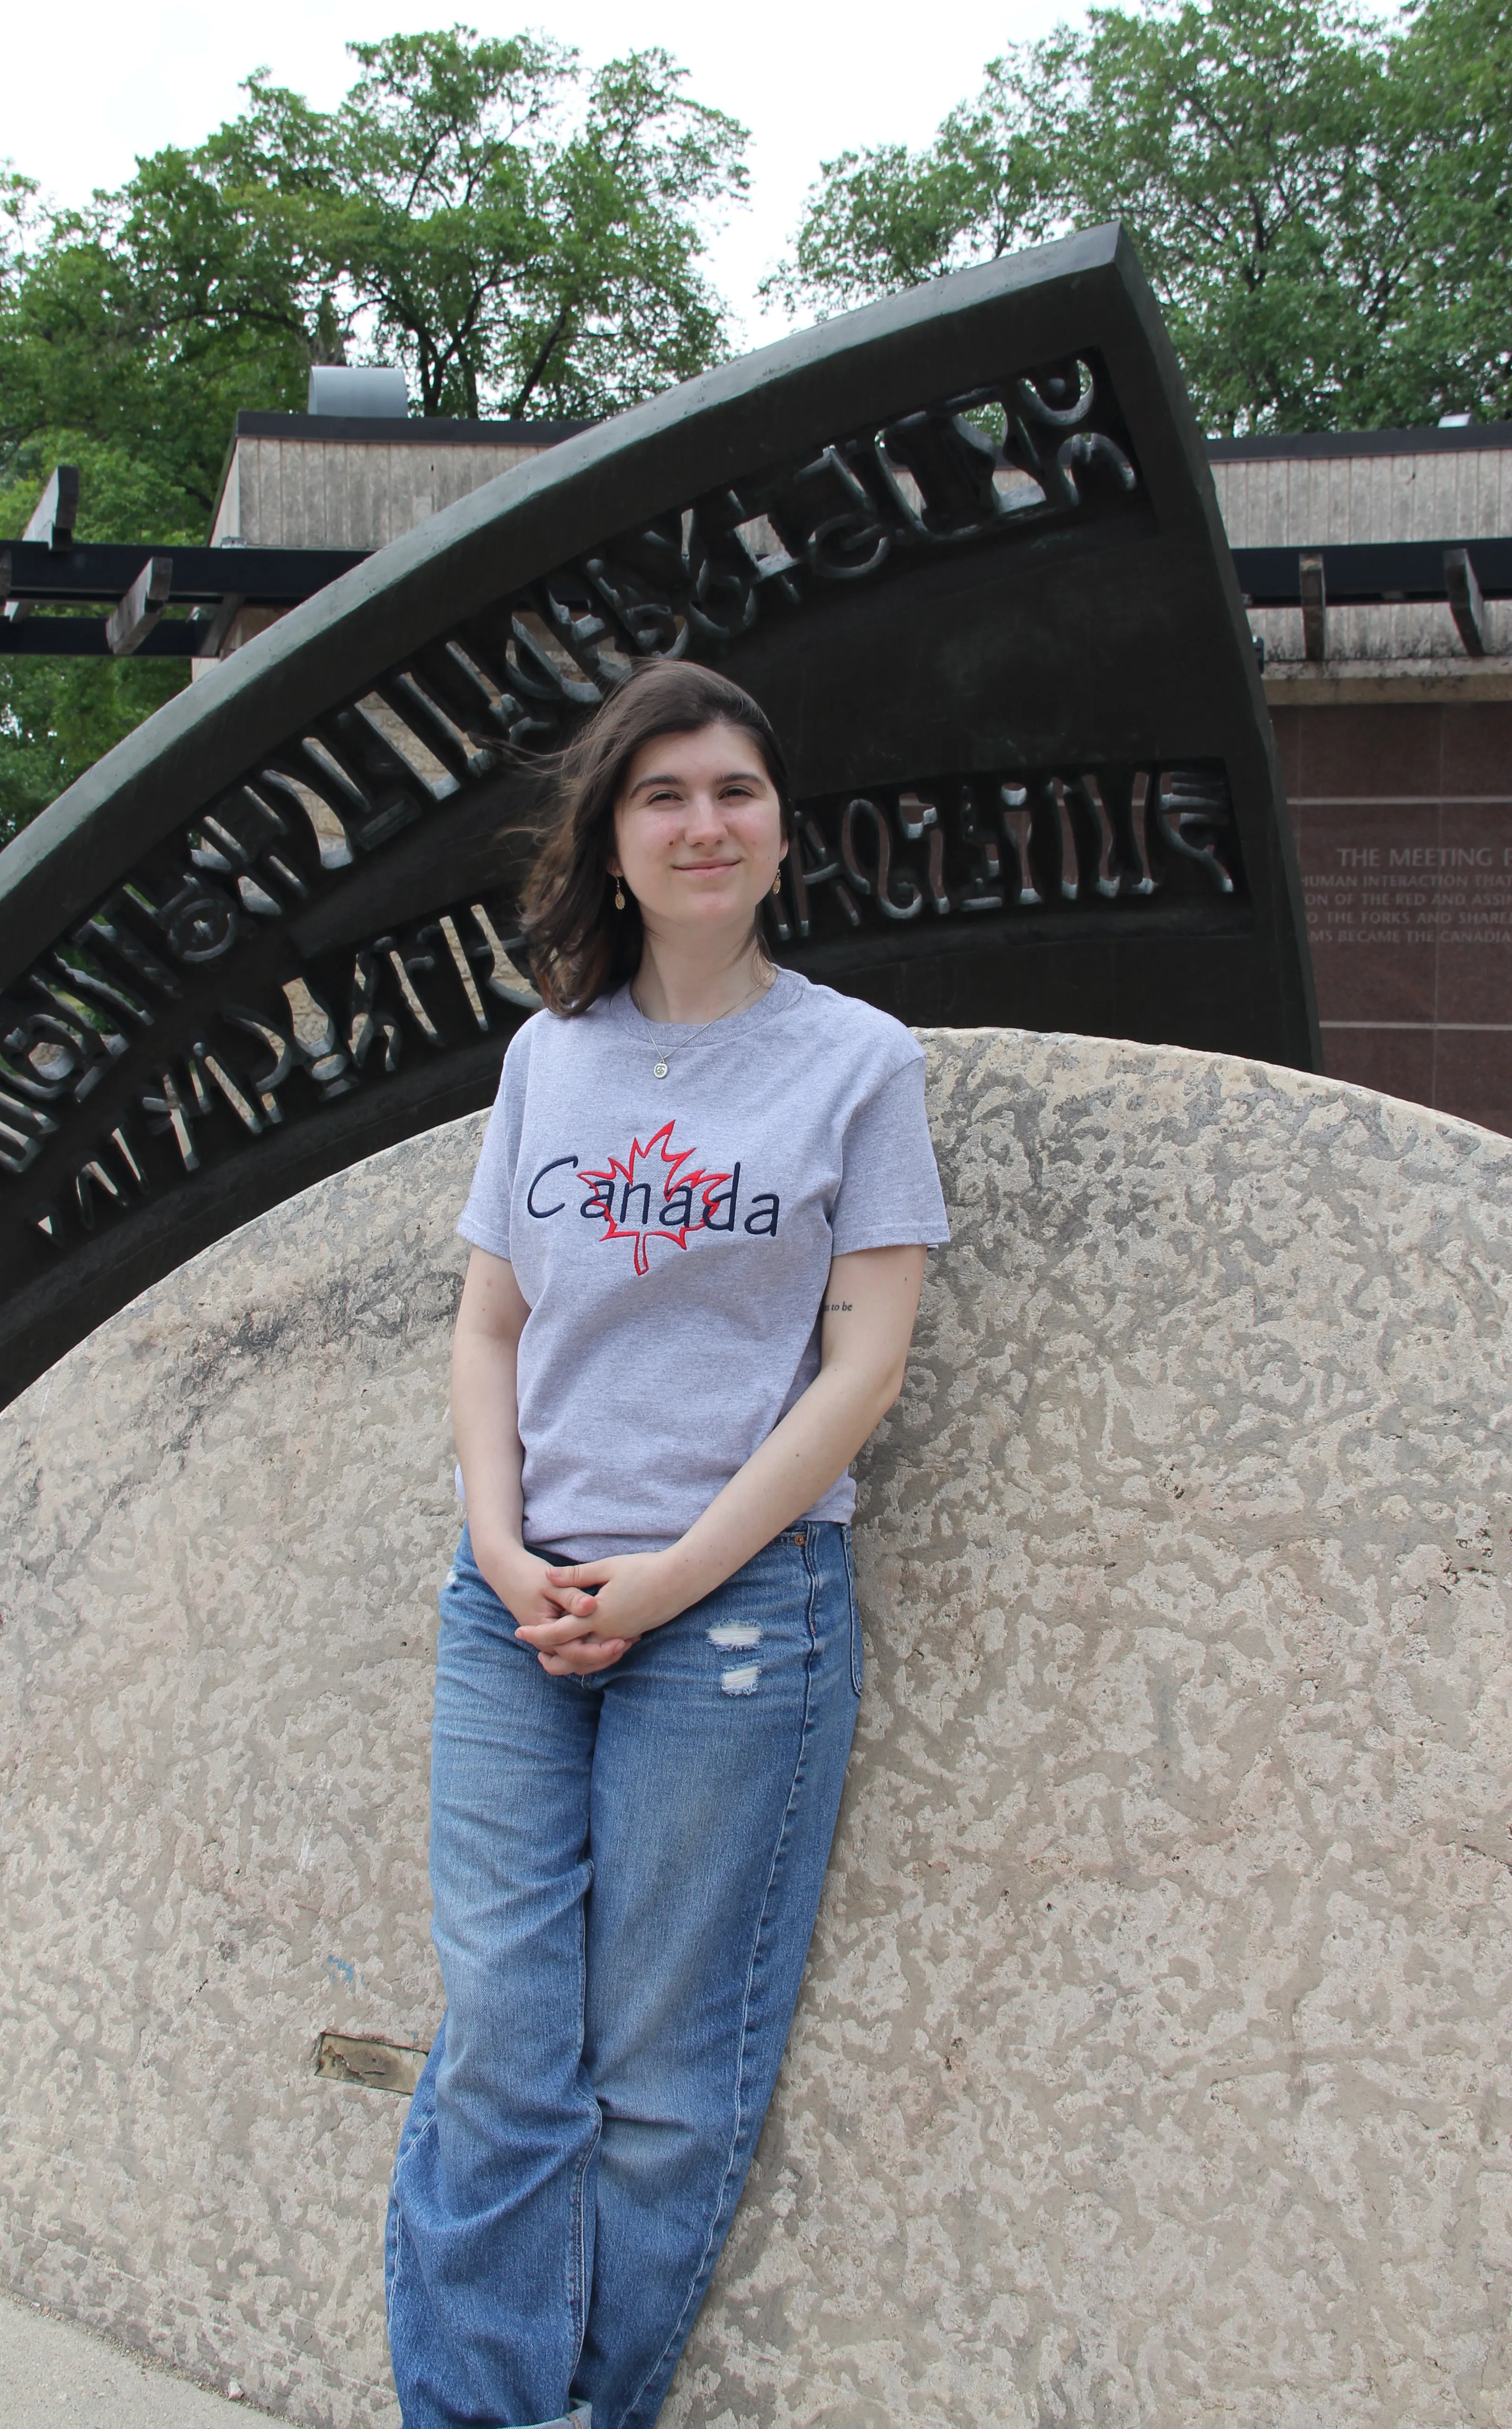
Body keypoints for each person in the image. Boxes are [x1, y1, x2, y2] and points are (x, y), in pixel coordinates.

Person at [385, 658, 948, 2429]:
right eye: (664, 795)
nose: (704, 823)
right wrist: (497, 1539)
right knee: (500, 2048)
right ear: (614, 842)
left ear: (781, 832)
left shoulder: (857, 1064)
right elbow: (491, 1330)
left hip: (733, 1620)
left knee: (658, 2083)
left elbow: (863, 1370)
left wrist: (674, 1576)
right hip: (514, 1606)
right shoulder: (550, 1060)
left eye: (735, 792)